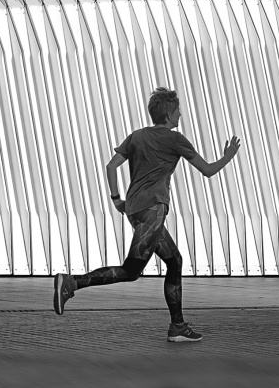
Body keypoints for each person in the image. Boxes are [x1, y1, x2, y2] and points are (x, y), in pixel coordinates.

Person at [53, 86, 240, 344]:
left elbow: (111, 167)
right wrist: (228, 157)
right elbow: (207, 171)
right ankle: (72, 283)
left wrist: (117, 200)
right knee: (131, 270)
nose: (180, 115)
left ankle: (177, 326)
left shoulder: (136, 136)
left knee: (174, 260)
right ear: (168, 115)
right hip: (153, 209)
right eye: (178, 111)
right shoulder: (176, 140)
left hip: (134, 209)